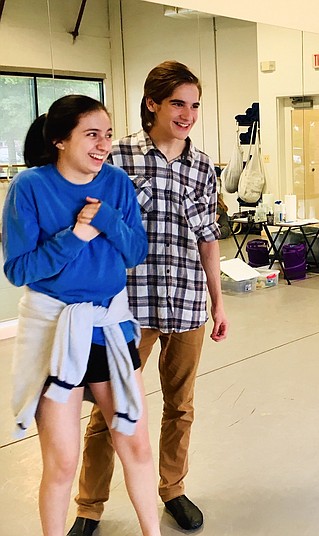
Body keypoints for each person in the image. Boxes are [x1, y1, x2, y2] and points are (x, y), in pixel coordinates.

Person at [68, 61, 229, 536]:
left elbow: (208, 237)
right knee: (107, 409)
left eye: (195, 105)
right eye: (178, 103)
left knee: (181, 407)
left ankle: (173, 489)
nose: (188, 114)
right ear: (152, 104)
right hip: (126, 308)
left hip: (186, 301)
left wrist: (218, 303)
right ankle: (89, 506)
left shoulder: (201, 166)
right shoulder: (115, 157)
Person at [2, 95, 159, 535]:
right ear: (59, 140)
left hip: (110, 328)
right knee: (62, 462)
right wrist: (77, 235)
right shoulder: (30, 187)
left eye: (107, 134)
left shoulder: (116, 184)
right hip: (55, 332)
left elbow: (135, 252)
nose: (103, 144)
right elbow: (18, 269)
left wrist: (107, 218)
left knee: (137, 446)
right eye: (91, 135)